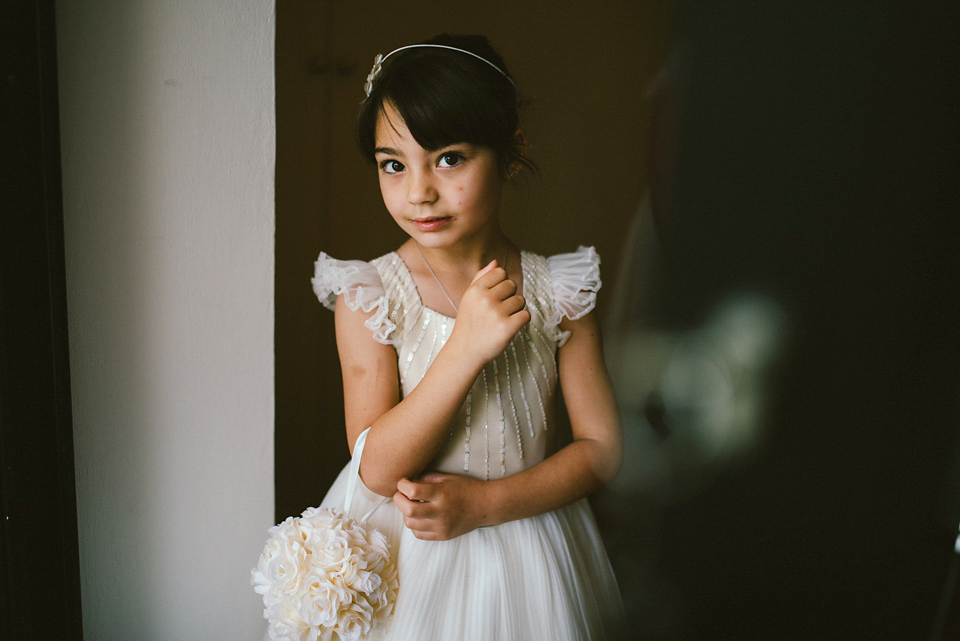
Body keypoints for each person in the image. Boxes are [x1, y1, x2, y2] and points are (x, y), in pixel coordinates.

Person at [312, 33, 625, 640]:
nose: (419, 191)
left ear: (511, 151)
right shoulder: (370, 297)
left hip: (532, 545)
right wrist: (465, 347)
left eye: (449, 158)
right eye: (393, 165)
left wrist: (486, 506)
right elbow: (374, 469)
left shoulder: (559, 292)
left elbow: (603, 448)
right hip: (413, 554)